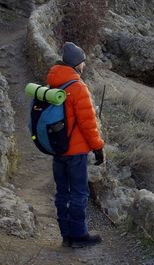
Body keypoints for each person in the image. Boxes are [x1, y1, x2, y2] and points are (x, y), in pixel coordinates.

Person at [47, 42, 105, 248]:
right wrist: (98, 147)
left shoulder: (53, 83)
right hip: (76, 151)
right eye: (82, 62)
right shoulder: (77, 87)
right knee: (79, 192)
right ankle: (79, 235)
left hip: (57, 148)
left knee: (62, 192)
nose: (84, 66)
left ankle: (66, 236)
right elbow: (88, 123)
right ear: (76, 64)